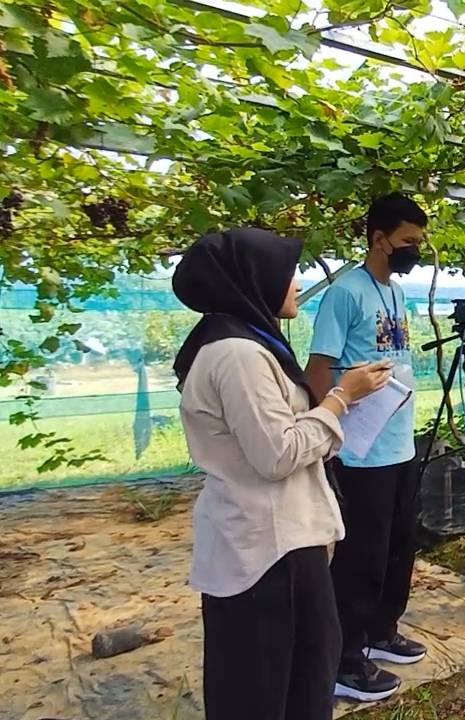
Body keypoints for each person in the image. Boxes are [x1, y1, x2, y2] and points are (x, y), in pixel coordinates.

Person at [173, 228, 392, 720]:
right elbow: (278, 453)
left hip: (276, 540)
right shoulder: (238, 355)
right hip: (270, 552)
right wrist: (342, 398)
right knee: (277, 688)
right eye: (287, 273)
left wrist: (333, 409)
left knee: (295, 675)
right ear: (253, 278)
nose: (295, 284)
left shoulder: (240, 342)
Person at [304, 192, 428, 702]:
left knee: (400, 545)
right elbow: (318, 369)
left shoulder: (395, 294)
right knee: (361, 555)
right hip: (360, 451)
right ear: (379, 239)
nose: (416, 250)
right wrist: (328, 434)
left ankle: (381, 630)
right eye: (408, 241)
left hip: (399, 443)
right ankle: (345, 658)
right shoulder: (345, 293)